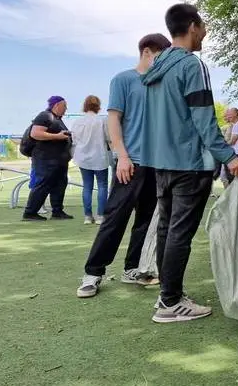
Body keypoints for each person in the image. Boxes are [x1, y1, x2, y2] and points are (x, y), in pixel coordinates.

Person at [139, 4, 238, 323]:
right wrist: (230, 156)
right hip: (189, 163)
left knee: (166, 227)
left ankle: (166, 296)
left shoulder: (156, 67)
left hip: (162, 163)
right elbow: (203, 120)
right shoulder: (191, 65)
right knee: (179, 233)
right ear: (192, 26)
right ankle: (171, 302)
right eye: (203, 25)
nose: (206, 32)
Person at [77, 34, 172, 299]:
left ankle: (134, 268)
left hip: (158, 165)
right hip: (131, 163)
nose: (163, 63)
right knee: (115, 219)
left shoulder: (162, 84)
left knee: (146, 220)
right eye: (161, 57)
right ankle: (93, 272)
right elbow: (114, 120)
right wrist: (123, 156)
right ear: (147, 52)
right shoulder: (124, 79)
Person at [22, 96, 73, 221]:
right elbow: (36, 133)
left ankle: (57, 211)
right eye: (64, 106)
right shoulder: (45, 116)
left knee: (60, 184)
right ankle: (30, 212)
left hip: (59, 160)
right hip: (46, 159)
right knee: (43, 184)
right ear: (56, 106)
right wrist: (57, 136)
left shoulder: (57, 119)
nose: (66, 109)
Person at [70, 95, 111, 225]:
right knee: (102, 186)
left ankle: (88, 216)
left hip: (83, 157)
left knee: (87, 186)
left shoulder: (77, 122)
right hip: (100, 157)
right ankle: (100, 215)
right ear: (98, 106)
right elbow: (109, 138)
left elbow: (74, 140)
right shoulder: (102, 121)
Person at [220, 107, 238, 187]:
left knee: (232, 177)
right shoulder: (236, 126)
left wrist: (222, 147)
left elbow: (233, 141)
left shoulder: (237, 126)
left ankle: (233, 196)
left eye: (229, 114)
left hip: (236, 154)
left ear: (235, 114)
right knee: (232, 177)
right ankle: (233, 196)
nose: (228, 116)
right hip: (237, 154)